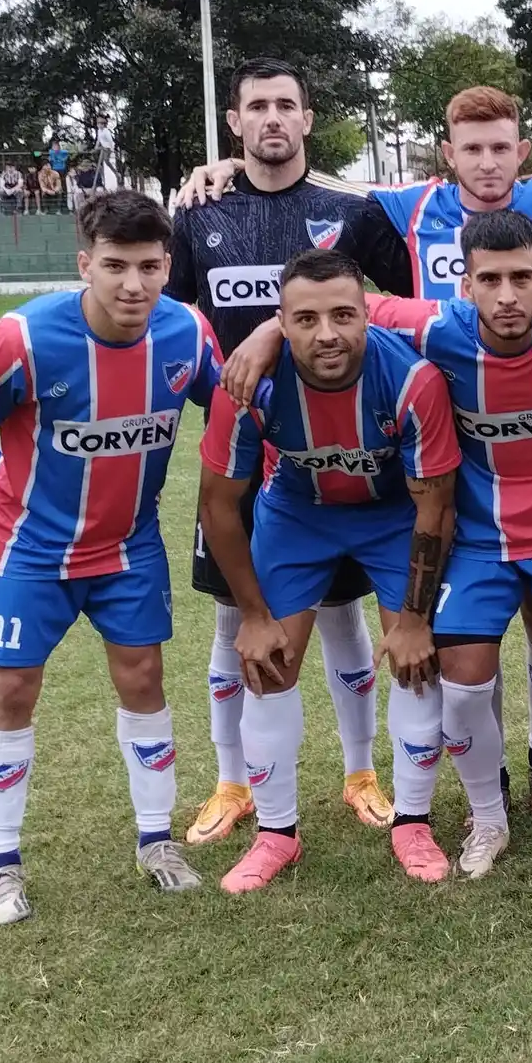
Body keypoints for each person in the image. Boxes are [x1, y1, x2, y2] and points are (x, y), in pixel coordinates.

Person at [221, 213, 532, 882]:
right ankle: (488, 817)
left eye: (521, 277)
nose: (507, 295)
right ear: (464, 286)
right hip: (474, 539)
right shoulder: (436, 327)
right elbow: (342, 309)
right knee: (461, 693)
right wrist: (269, 331)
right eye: (489, 280)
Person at [0, 190, 223, 925]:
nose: (133, 284)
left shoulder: (186, 332)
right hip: (30, 549)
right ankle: (1, 864)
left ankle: (157, 842)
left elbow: (231, 406)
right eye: (115, 265)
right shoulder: (25, 337)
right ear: (84, 265)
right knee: (12, 690)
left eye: (149, 266)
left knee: (144, 678)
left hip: (129, 546)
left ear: (168, 266)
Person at [164, 57, 419, 846]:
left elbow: (404, 301)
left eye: (286, 105)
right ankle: (232, 782)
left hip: (335, 450)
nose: (272, 118)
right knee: (233, 621)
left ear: (307, 119)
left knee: (342, 616)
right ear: (234, 122)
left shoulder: (349, 209)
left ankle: (360, 773)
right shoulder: (200, 211)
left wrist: (280, 329)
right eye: (256, 106)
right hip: (241, 447)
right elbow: (172, 317)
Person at [198, 247, 460, 893]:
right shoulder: (250, 383)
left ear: (368, 314)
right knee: (268, 664)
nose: (327, 334)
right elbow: (218, 506)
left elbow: (435, 507)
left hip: (392, 515)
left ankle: (414, 823)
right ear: (281, 323)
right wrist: (253, 615)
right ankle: (276, 835)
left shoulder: (412, 381)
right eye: (306, 319)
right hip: (298, 513)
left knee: (417, 660)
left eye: (343, 315)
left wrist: (415, 620)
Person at [95, 114, 117, 188]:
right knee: (97, 157)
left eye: (100, 124)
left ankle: (116, 173)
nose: (99, 126)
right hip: (103, 147)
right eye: (98, 124)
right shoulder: (99, 131)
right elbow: (98, 139)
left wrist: (112, 149)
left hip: (108, 147)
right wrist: (96, 146)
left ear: (103, 125)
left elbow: (110, 141)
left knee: (106, 161)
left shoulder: (106, 131)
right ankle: (100, 175)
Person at [48, 137, 71, 209]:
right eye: (53, 146)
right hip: (54, 171)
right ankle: (55, 203)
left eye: (56, 146)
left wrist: (61, 158)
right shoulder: (51, 151)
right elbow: (50, 155)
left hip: (62, 170)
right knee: (55, 186)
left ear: (59, 146)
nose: (55, 147)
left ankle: (64, 203)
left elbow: (66, 156)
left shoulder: (63, 152)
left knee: (62, 186)